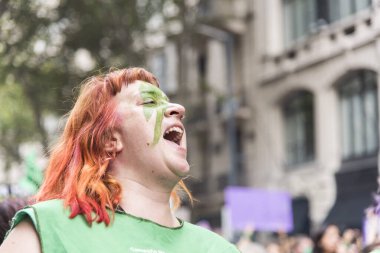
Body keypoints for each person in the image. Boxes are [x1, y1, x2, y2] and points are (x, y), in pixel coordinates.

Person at [0, 67, 240, 253]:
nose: (178, 109)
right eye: (149, 102)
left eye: (169, 102)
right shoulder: (47, 228)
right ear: (109, 140)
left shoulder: (218, 249)